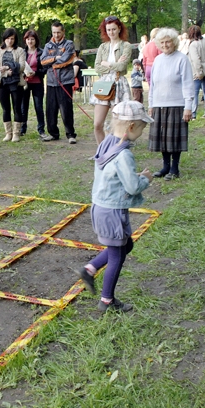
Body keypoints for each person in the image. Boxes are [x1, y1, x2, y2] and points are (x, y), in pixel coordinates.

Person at [74, 101, 153, 312]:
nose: (142, 132)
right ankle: (107, 301)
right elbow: (133, 186)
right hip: (113, 211)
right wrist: (145, 179)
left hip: (100, 207)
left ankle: (90, 269)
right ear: (131, 127)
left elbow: (114, 176)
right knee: (118, 254)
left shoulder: (107, 143)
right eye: (142, 128)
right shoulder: (124, 154)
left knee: (126, 246)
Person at [147, 28, 193, 181]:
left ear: (174, 42)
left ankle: (175, 168)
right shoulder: (158, 60)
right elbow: (152, 84)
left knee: (173, 138)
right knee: (162, 138)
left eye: (168, 41)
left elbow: (188, 84)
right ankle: (165, 166)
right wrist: (151, 104)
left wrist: (188, 107)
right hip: (159, 104)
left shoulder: (182, 59)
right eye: (162, 42)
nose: (165, 45)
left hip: (177, 104)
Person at [91, 16, 133, 144]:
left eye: (114, 29)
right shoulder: (103, 47)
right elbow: (97, 66)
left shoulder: (126, 46)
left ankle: (116, 150)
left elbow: (122, 66)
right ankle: (101, 151)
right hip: (104, 84)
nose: (111, 32)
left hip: (119, 83)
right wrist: (113, 65)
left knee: (118, 122)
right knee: (97, 124)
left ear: (119, 28)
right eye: (108, 30)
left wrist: (107, 64)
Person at [40, 20, 77, 143]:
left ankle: (70, 134)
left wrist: (52, 64)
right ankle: (53, 133)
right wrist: (55, 58)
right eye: (54, 32)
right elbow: (42, 61)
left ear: (63, 32)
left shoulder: (69, 44)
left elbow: (67, 60)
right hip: (51, 82)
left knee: (66, 109)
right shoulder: (47, 46)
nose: (56, 35)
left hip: (65, 81)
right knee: (51, 109)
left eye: (58, 32)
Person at [0, 28, 26, 142]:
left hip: (16, 82)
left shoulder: (20, 51)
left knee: (17, 108)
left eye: (12, 38)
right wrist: (4, 72)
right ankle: (8, 133)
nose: (10, 41)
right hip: (2, 82)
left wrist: (7, 67)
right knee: (5, 109)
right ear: (4, 39)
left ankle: (16, 133)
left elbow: (21, 66)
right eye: (8, 38)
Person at [187, 25, 205, 120]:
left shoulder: (193, 45)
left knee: (194, 93)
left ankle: (193, 114)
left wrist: (199, 73)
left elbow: (196, 60)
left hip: (197, 72)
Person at [23, 30, 48, 139]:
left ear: (36, 40)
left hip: (37, 82)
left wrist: (36, 73)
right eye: (28, 39)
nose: (30, 41)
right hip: (24, 83)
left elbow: (45, 68)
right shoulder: (22, 52)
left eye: (32, 39)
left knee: (38, 107)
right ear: (25, 40)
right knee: (23, 107)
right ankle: (22, 129)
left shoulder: (41, 52)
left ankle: (41, 130)